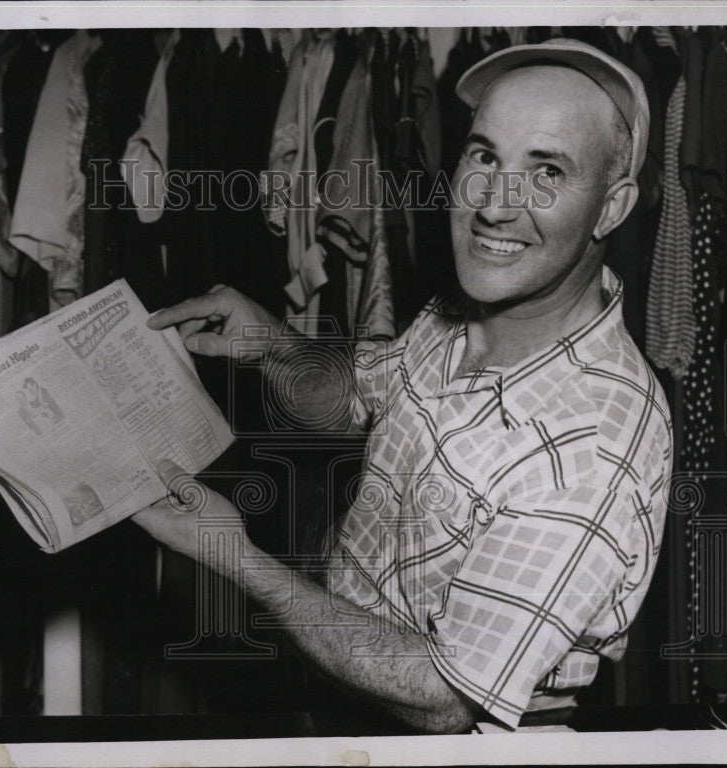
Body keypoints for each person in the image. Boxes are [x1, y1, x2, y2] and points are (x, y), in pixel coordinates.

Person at [134, 39, 673, 734]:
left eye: (546, 173)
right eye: (485, 156)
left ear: (611, 206)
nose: (494, 206)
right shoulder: (471, 308)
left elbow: (444, 694)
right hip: (338, 678)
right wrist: (270, 345)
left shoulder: (591, 449)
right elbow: (364, 400)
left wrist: (238, 560)